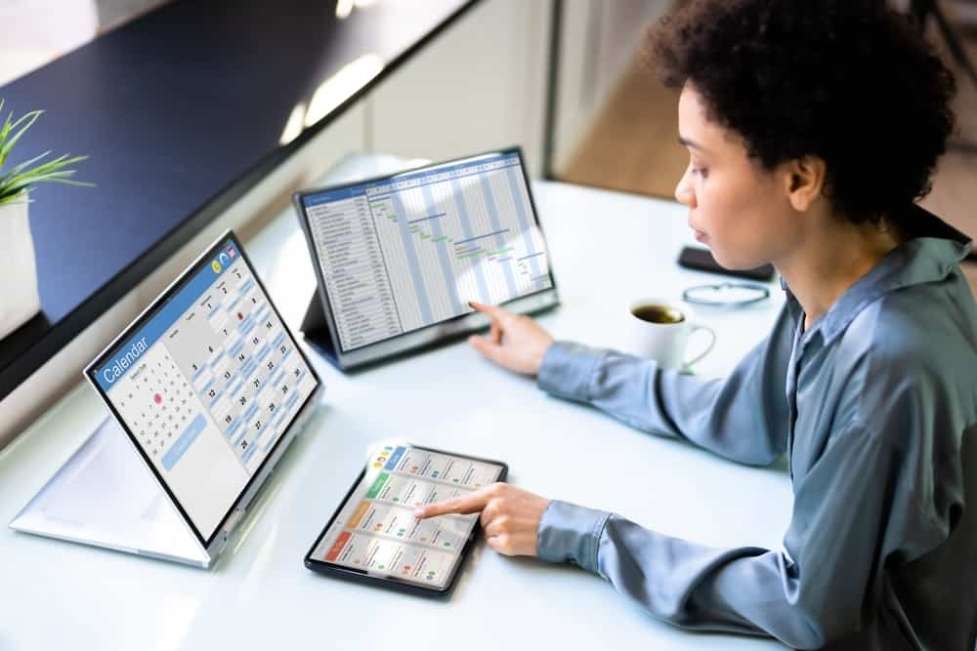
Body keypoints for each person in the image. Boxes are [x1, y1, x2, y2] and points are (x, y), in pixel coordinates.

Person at [413, 1, 977, 649]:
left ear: (800, 177)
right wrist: (557, 360)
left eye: (702, 166)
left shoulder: (890, 362)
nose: (683, 190)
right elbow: (744, 419)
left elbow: (807, 610)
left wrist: (578, 532)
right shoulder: (842, 266)